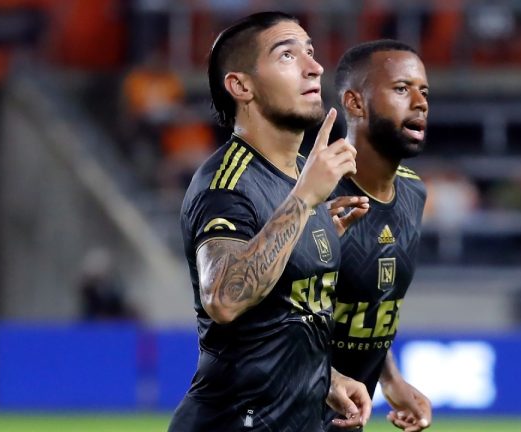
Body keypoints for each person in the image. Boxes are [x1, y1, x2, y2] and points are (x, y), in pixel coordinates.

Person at [169, 12, 371, 432]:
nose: (313, 66)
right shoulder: (226, 182)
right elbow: (223, 297)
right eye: (286, 55)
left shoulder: (303, 174)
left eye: (311, 53)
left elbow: (283, 317)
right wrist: (304, 199)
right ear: (242, 86)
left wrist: (325, 379)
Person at [324, 40, 433, 431]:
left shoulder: (413, 192)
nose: (420, 102)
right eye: (402, 89)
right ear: (355, 103)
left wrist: (390, 379)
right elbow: (263, 321)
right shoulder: (309, 191)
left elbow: (370, 306)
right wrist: (327, 379)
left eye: (424, 91)